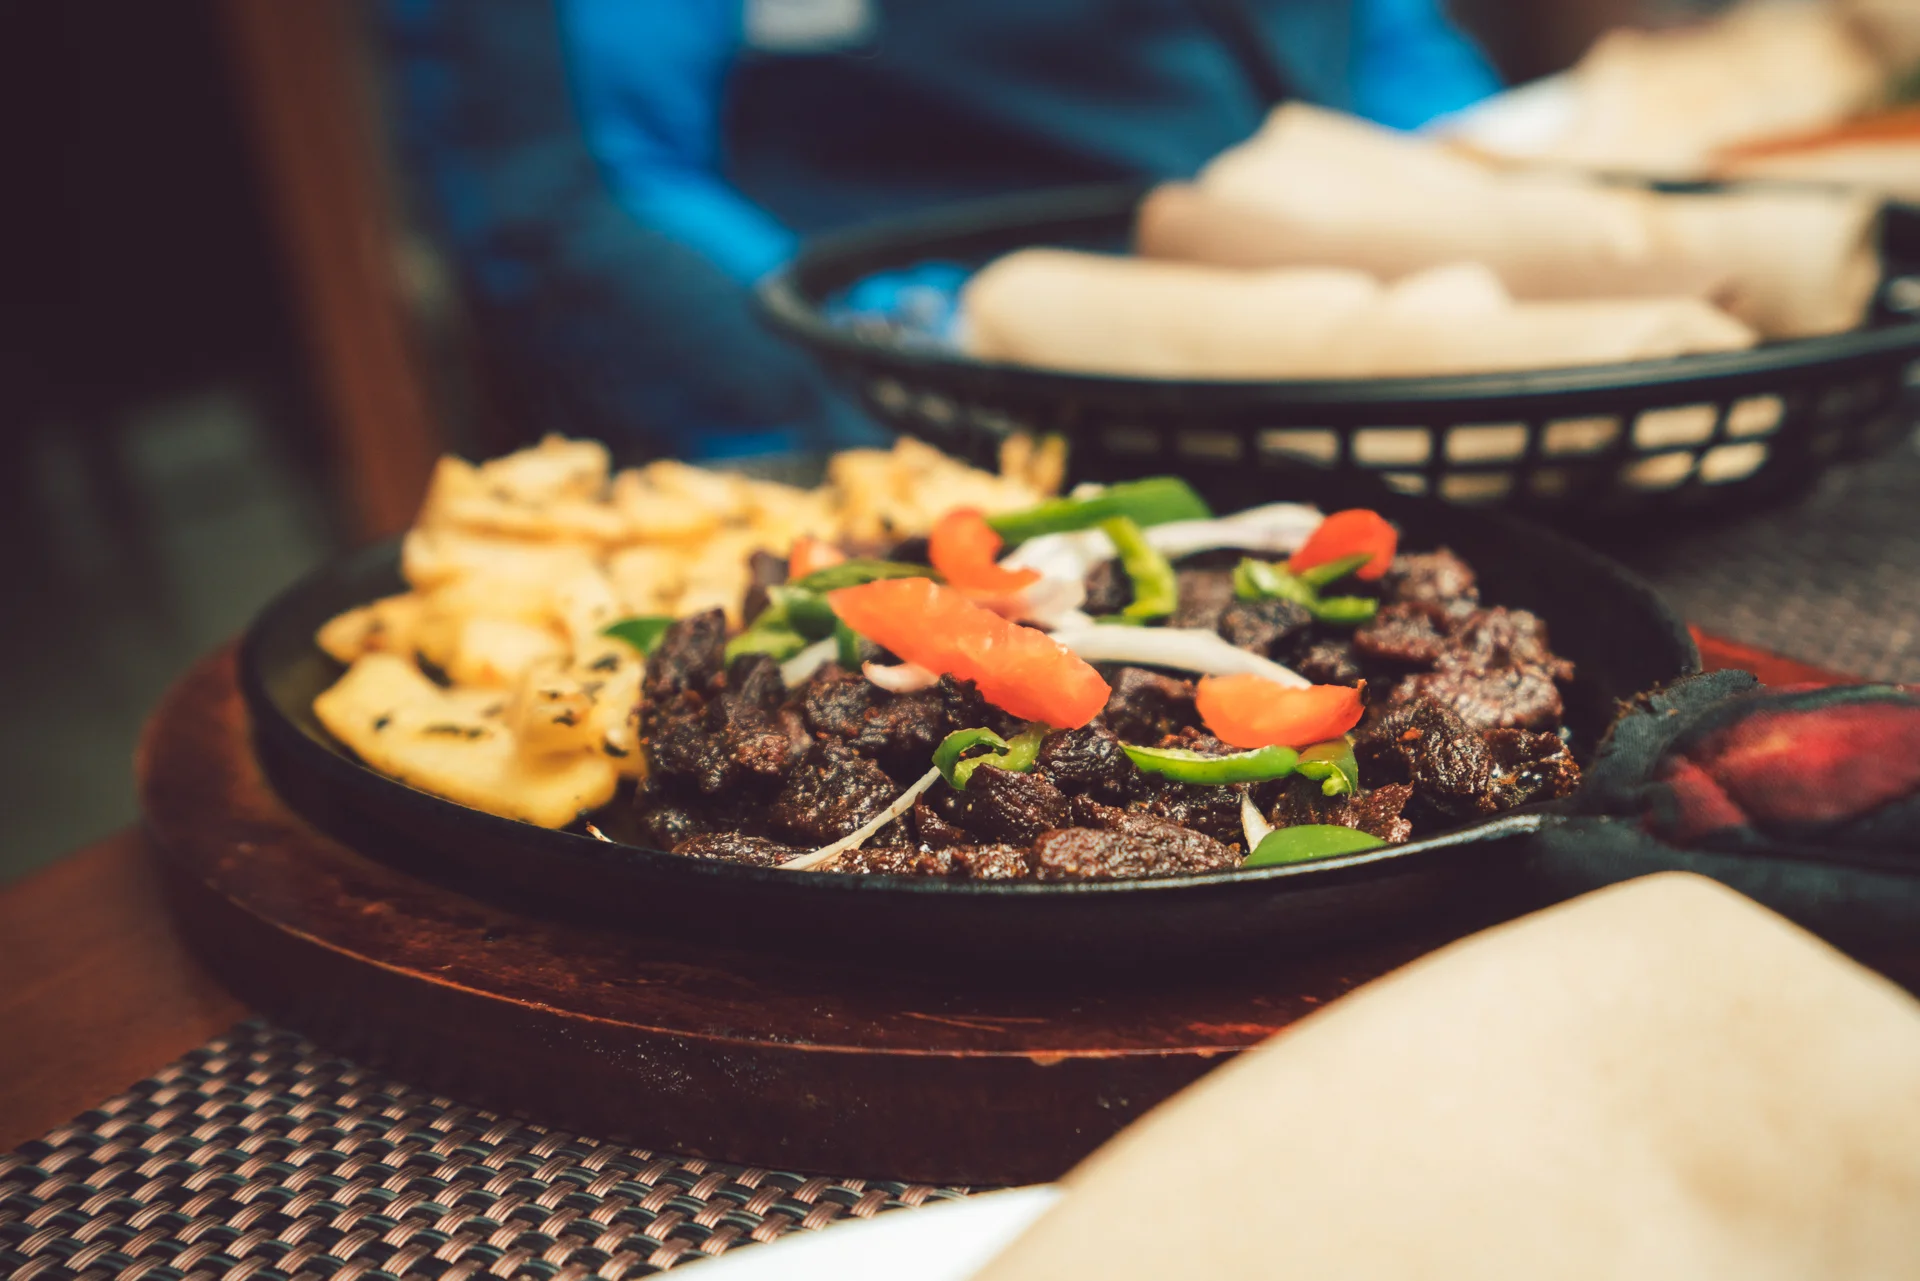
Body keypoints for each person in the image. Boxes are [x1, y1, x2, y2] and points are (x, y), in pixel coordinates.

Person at [383, 1, 1499, 460]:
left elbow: (1392, 50)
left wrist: (1481, 216)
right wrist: (927, 362)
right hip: (910, 401)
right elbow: (586, 194)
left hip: (1372, 379)